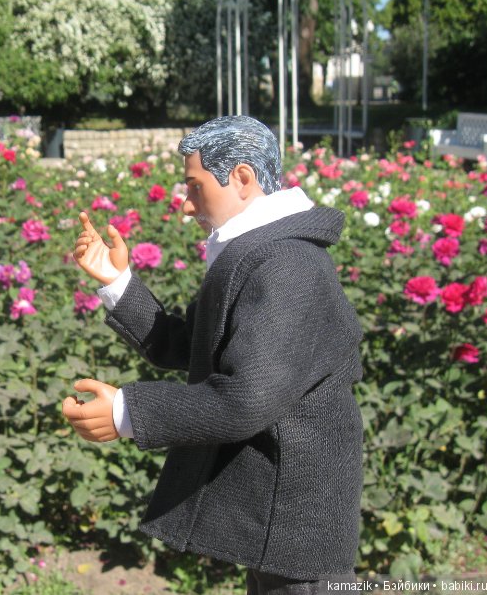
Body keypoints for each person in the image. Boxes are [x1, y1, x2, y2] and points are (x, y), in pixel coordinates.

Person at [62, 115, 364, 594]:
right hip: (278, 522)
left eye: (195, 186)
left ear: (242, 178)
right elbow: (194, 345)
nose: (186, 205)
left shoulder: (287, 265)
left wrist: (126, 412)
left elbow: (245, 399)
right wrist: (117, 282)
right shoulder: (261, 253)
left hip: (296, 523)